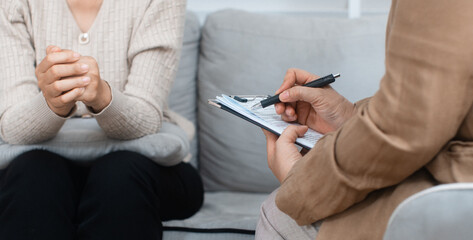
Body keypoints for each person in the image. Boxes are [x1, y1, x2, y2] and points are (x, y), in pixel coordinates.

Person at [256, 0, 473, 239]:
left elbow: (405, 130)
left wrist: (300, 181)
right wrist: (351, 117)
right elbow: (434, 102)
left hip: (460, 189)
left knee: (278, 213)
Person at [0, 0, 203, 239]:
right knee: (34, 176)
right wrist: (52, 104)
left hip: (139, 165)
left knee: (119, 177)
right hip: (38, 165)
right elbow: (13, 129)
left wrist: (102, 97)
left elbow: (146, 119)